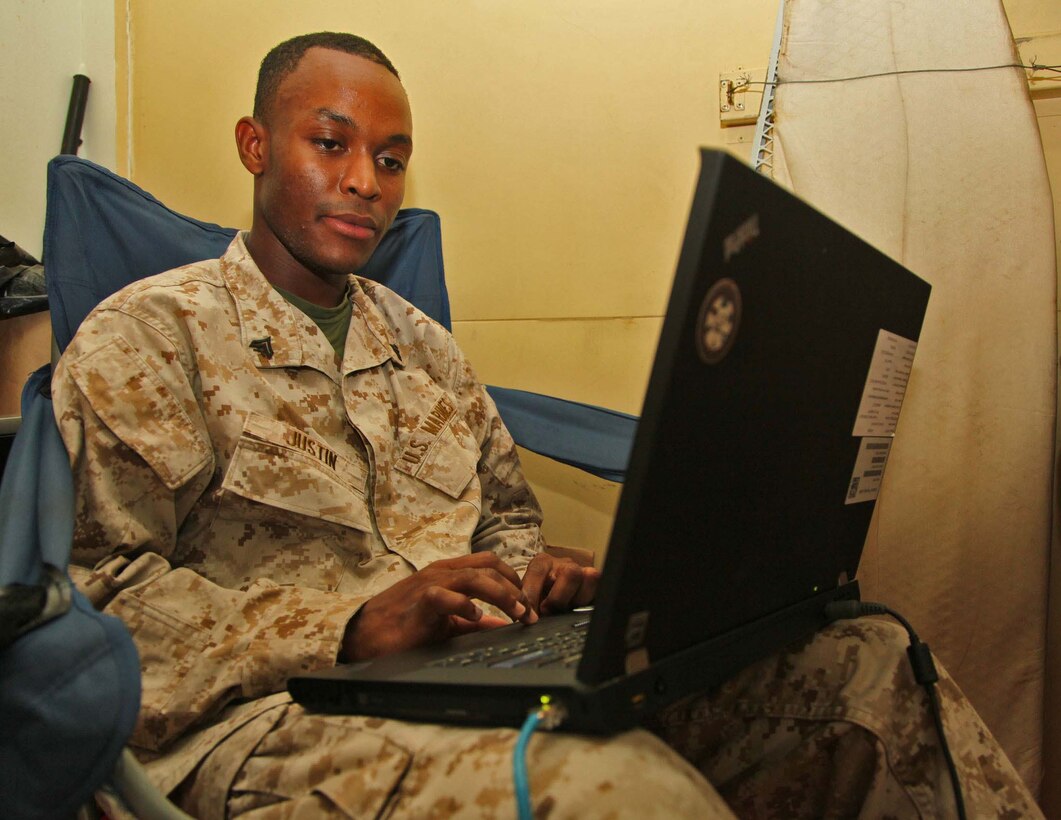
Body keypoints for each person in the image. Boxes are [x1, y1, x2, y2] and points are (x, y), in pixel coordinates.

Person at [54, 31, 1040, 818]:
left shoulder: (423, 348)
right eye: (331, 144)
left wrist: (538, 578)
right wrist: (346, 626)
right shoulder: (150, 337)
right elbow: (95, 607)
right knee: (615, 790)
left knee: (866, 669)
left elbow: (505, 520)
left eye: (390, 159)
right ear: (255, 145)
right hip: (274, 721)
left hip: (476, 679)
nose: (365, 180)